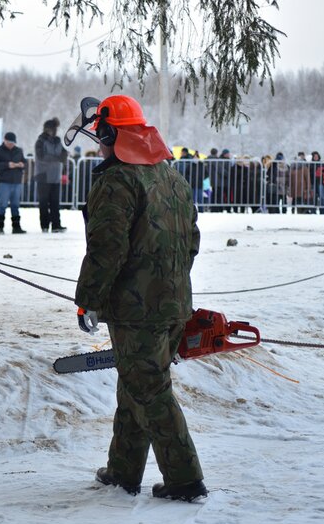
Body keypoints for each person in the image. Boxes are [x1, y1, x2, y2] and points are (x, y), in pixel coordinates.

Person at [67, 94, 206, 502]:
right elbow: (191, 242)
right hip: (174, 302)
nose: (98, 144)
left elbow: (106, 249)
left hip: (136, 308)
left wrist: (88, 298)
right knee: (136, 385)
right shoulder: (172, 177)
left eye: (100, 136)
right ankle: (122, 471)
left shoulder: (116, 180)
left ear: (112, 133)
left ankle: (185, 478)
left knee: (149, 389)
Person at [34, 118, 69, 232]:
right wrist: (58, 158)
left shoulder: (58, 141)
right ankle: (44, 225)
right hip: (43, 175)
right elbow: (41, 157)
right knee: (43, 202)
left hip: (55, 175)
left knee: (55, 202)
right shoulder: (40, 141)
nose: (54, 131)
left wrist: (60, 158)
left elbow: (64, 153)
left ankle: (56, 225)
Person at [0, 132, 27, 234]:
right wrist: (7, 165)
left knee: (15, 205)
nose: (11, 145)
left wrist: (22, 164)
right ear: (4, 140)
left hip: (16, 182)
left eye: (13, 143)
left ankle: (16, 227)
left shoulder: (18, 151)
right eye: (9, 142)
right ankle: (0, 227)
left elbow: (25, 163)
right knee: (2, 204)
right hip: (4, 182)